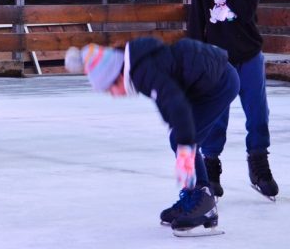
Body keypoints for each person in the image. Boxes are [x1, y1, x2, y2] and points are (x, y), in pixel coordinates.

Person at [65, 37, 239, 236]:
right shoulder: (141, 65)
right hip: (210, 80)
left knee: (184, 140)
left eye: (110, 88)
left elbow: (175, 103)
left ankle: (204, 202)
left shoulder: (143, 71)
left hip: (219, 83)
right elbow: (168, 97)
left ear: (117, 76)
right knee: (181, 138)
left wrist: (184, 149)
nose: (113, 94)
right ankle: (193, 196)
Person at [188, 0, 279, 200]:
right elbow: (196, 24)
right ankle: (211, 169)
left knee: (257, 113)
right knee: (216, 117)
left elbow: (245, 12)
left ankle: (259, 166)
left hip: (249, 56)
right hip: (217, 61)